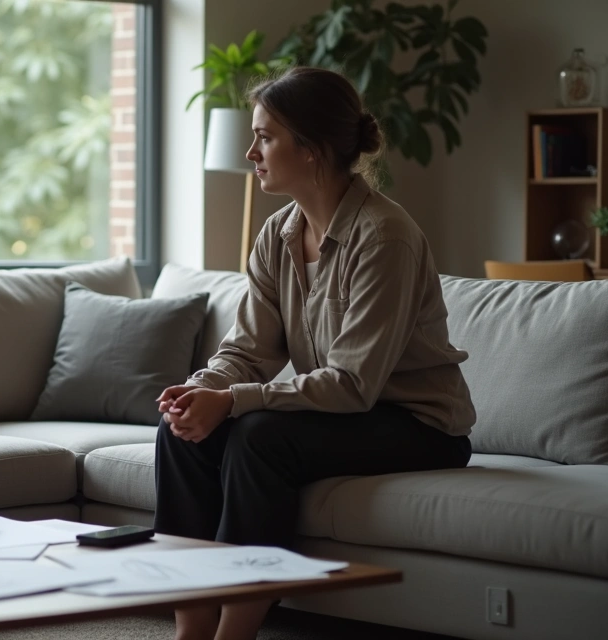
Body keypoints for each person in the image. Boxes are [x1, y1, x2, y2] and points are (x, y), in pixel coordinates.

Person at [153, 67, 476, 640]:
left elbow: (353, 384)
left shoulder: (385, 238)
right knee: (181, 432)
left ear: (313, 149)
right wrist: (204, 390)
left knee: (258, 437)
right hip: (344, 412)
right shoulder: (276, 234)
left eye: (266, 137)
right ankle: (192, 624)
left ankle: (238, 631)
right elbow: (248, 351)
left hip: (416, 424)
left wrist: (234, 402)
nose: (251, 151)